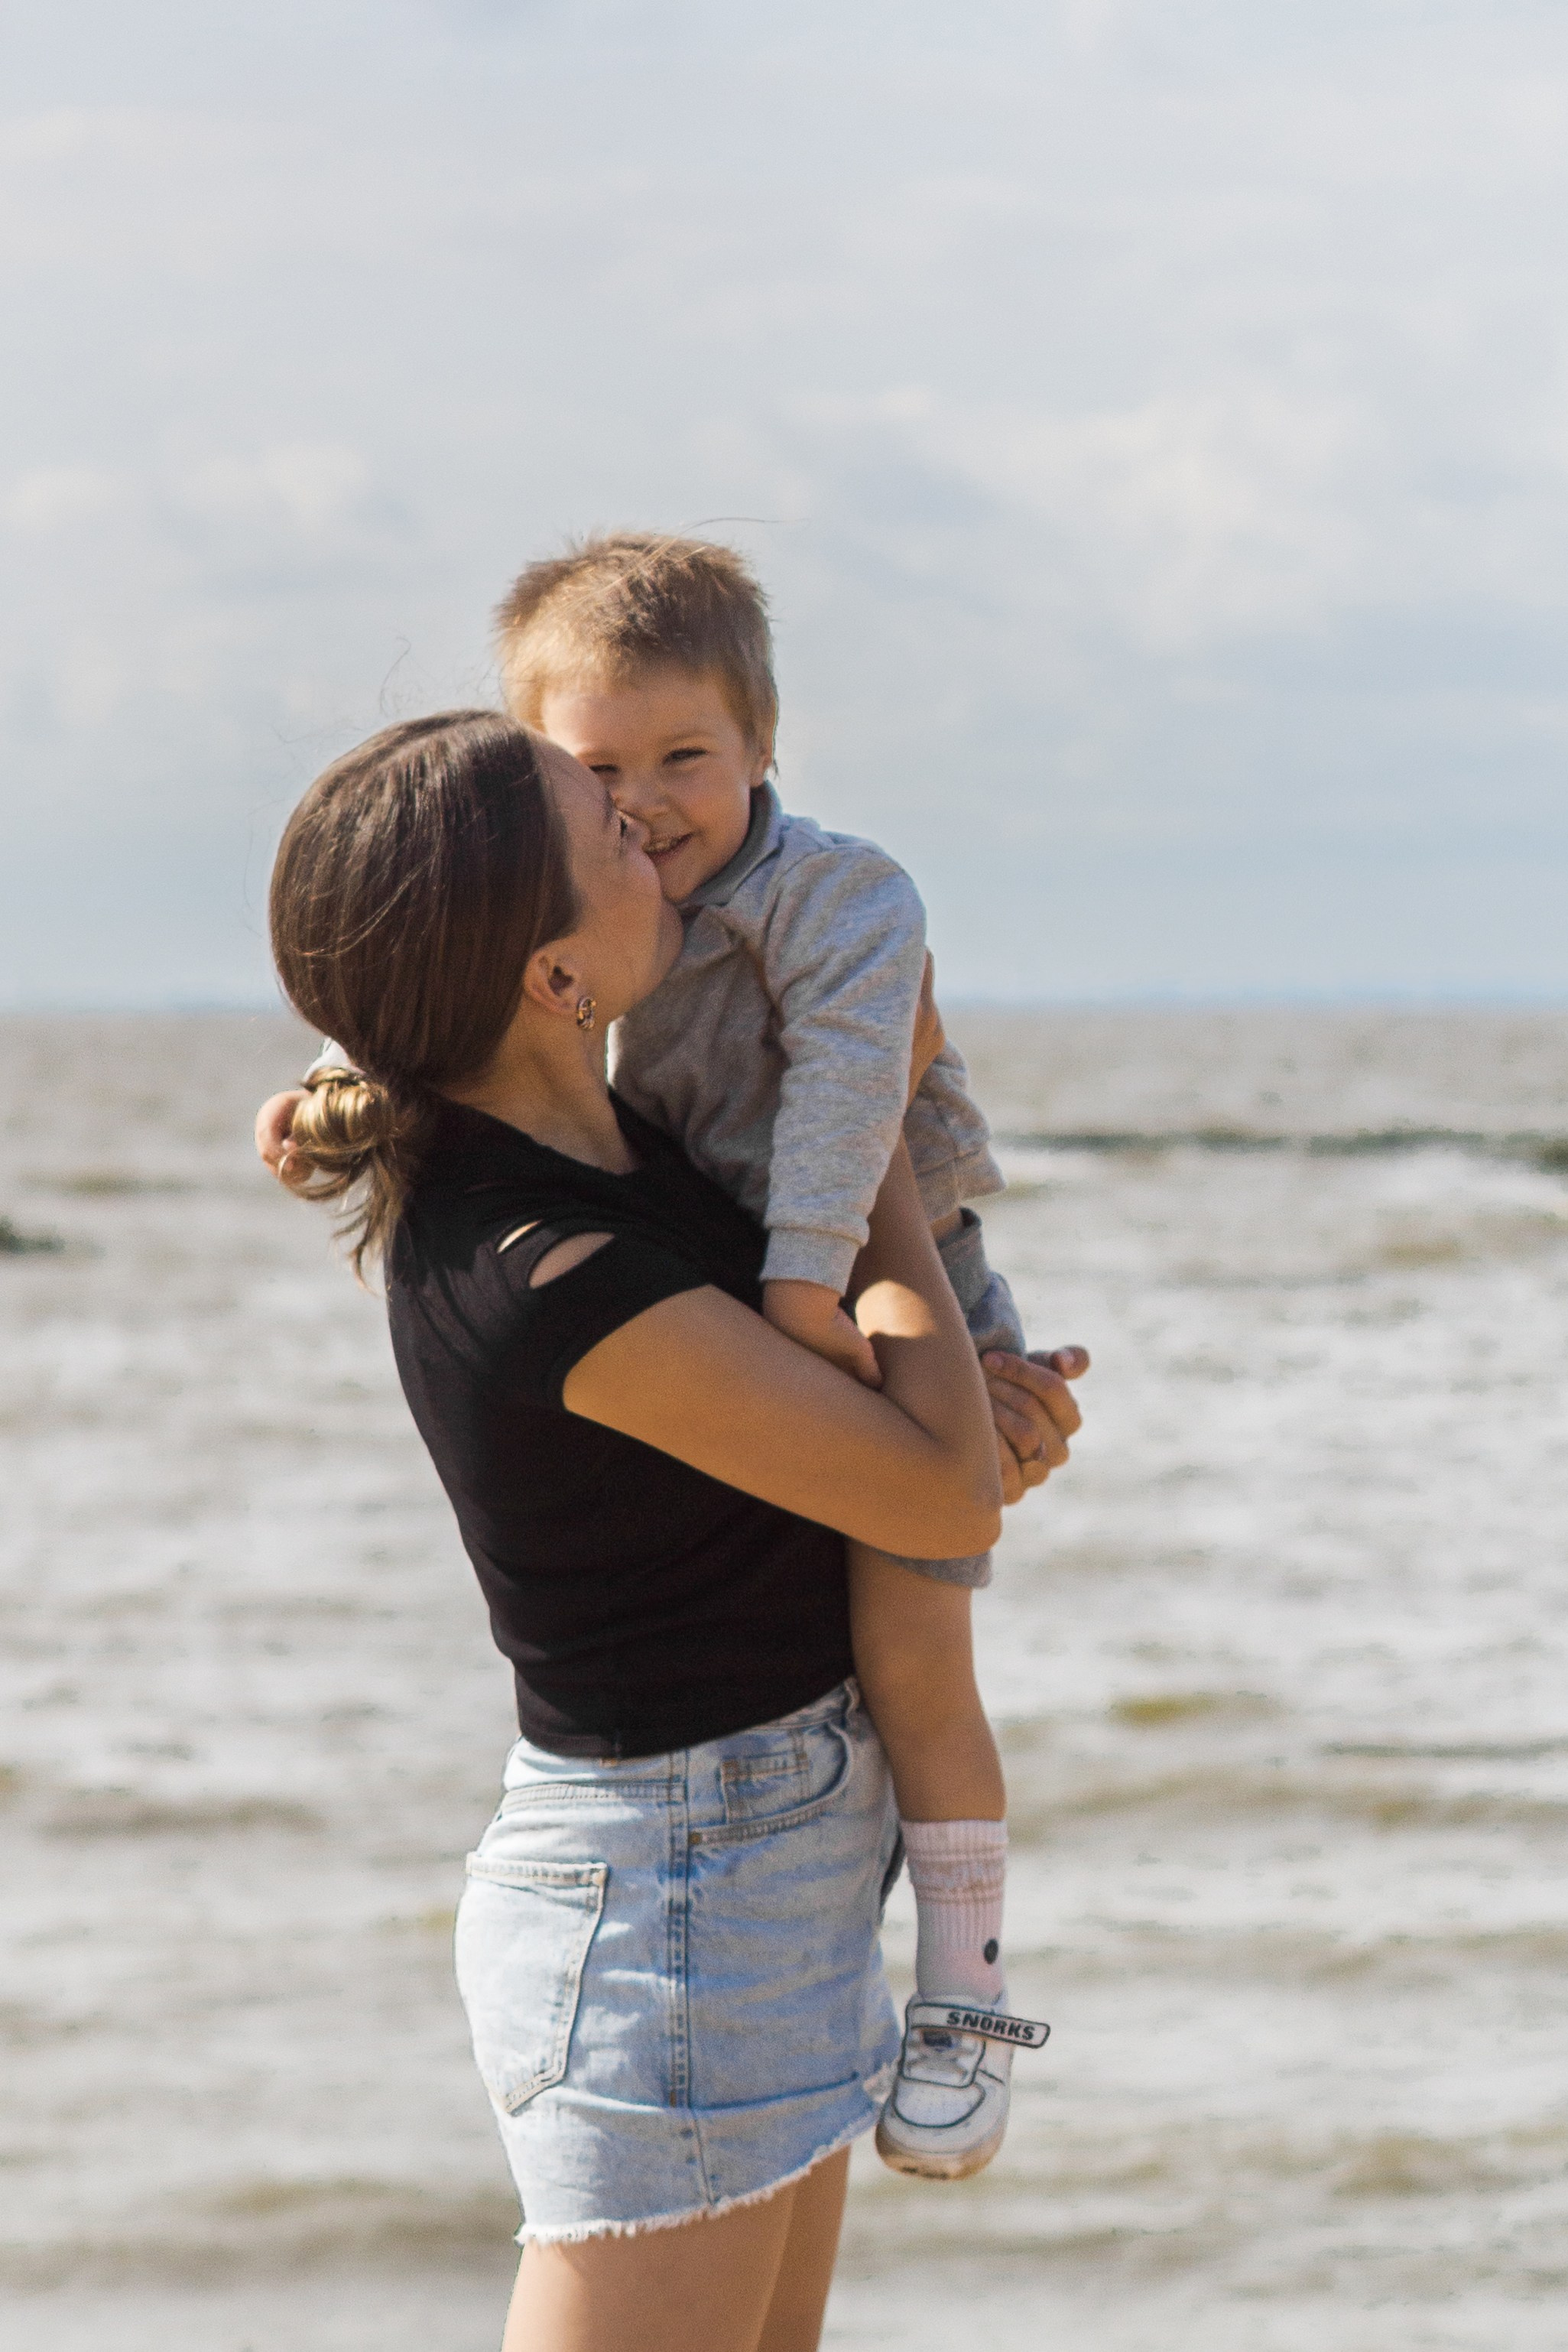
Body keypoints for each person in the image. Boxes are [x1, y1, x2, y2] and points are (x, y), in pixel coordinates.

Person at [258, 534, 1088, 2181]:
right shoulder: (550, 1257)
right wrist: (874, 1190)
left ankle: (968, 1976)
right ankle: (977, 2003)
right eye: (600, 810)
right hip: (681, 1896)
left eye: (669, 783)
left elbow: (883, 1428)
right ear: (554, 971)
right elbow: (928, 1471)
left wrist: (943, 1397)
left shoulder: (626, 1140)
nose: (646, 829)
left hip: (755, 1871)